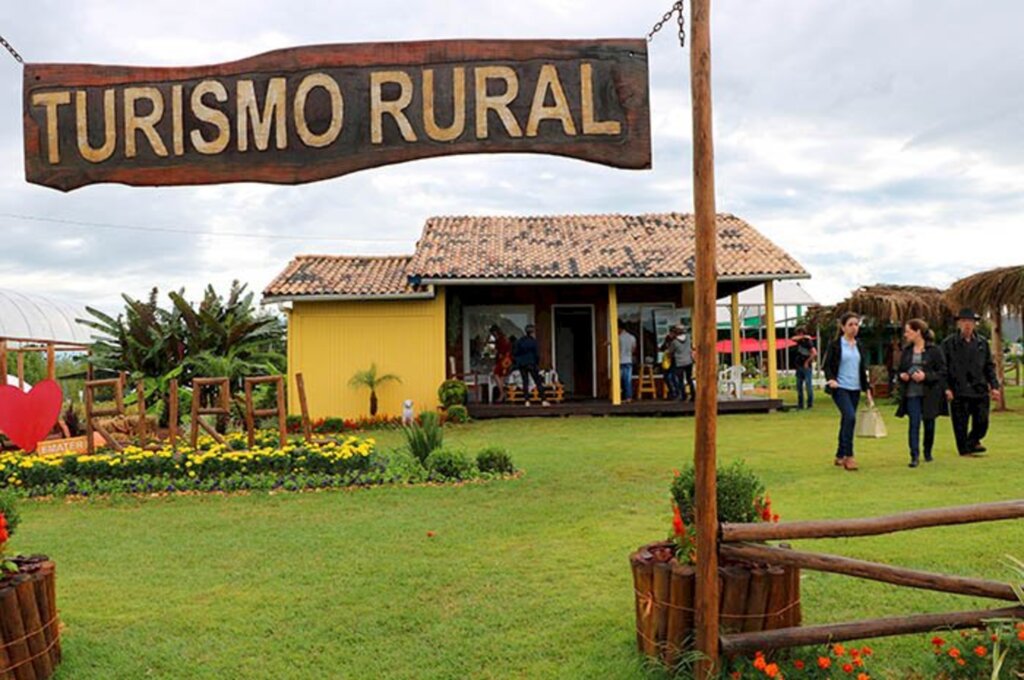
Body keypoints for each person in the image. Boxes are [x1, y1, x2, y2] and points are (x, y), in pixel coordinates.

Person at [942, 308, 1000, 456]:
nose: (967, 325)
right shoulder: (948, 344)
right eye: (964, 322)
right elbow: (943, 368)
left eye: (970, 322)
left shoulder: (982, 343)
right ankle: (964, 450)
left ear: (975, 324)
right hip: (958, 389)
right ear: (958, 324)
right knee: (960, 422)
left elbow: (989, 366)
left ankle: (973, 441)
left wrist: (994, 386)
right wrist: (946, 388)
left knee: (982, 421)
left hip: (979, 388)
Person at [895, 319, 947, 467]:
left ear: (917, 331)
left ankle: (927, 451)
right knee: (914, 423)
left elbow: (942, 372)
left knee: (929, 423)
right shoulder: (906, 351)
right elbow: (900, 370)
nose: (905, 334)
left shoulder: (934, 350)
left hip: (929, 393)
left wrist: (926, 376)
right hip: (911, 393)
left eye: (908, 331)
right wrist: (903, 376)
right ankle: (914, 456)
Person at [822, 312, 872, 471]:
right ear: (843, 327)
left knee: (847, 420)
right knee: (850, 417)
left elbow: (863, 370)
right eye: (850, 324)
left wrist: (868, 391)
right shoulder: (835, 345)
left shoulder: (860, 346)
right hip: (840, 388)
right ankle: (849, 457)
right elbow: (827, 365)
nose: (854, 328)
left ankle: (839, 454)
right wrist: (831, 379)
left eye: (856, 324)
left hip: (855, 388)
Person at [513, 324, 549, 406]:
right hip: (531, 363)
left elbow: (515, 353)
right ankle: (543, 400)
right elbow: (536, 354)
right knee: (537, 381)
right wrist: (537, 363)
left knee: (525, 381)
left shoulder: (520, 341)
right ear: (532, 332)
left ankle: (527, 400)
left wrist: (518, 362)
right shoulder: (533, 342)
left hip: (522, 364)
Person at [788, 327, 818, 409]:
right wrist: (803, 337)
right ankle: (800, 405)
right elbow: (792, 338)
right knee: (799, 386)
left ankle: (809, 404)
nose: (797, 335)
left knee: (808, 386)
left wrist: (807, 362)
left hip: (806, 366)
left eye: (799, 333)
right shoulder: (799, 341)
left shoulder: (808, 342)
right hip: (799, 365)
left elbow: (814, 353)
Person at [668, 324, 695, 402]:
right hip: (689, 361)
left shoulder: (674, 342)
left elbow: (670, 352)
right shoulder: (688, 339)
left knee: (680, 380)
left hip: (679, 362)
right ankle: (693, 395)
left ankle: (683, 396)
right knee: (689, 379)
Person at [489, 325, 513, 403]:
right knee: (501, 376)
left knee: (496, 374)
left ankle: (502, 394)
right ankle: (503, 395)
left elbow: (497, 352)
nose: (493, 335)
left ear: (495, 332)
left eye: (493, 334)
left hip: (503, 360)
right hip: (508, 360)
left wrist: (492, 350)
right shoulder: (505, 338)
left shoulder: (500, 340)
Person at [618, 326, 638, 402]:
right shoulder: (632, 337)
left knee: (620, 380)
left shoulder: (618, 337)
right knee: (628, 380)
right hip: (629, 360)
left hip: (621, 361)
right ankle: (629, 397)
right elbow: (634, 349)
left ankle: (622, 396)